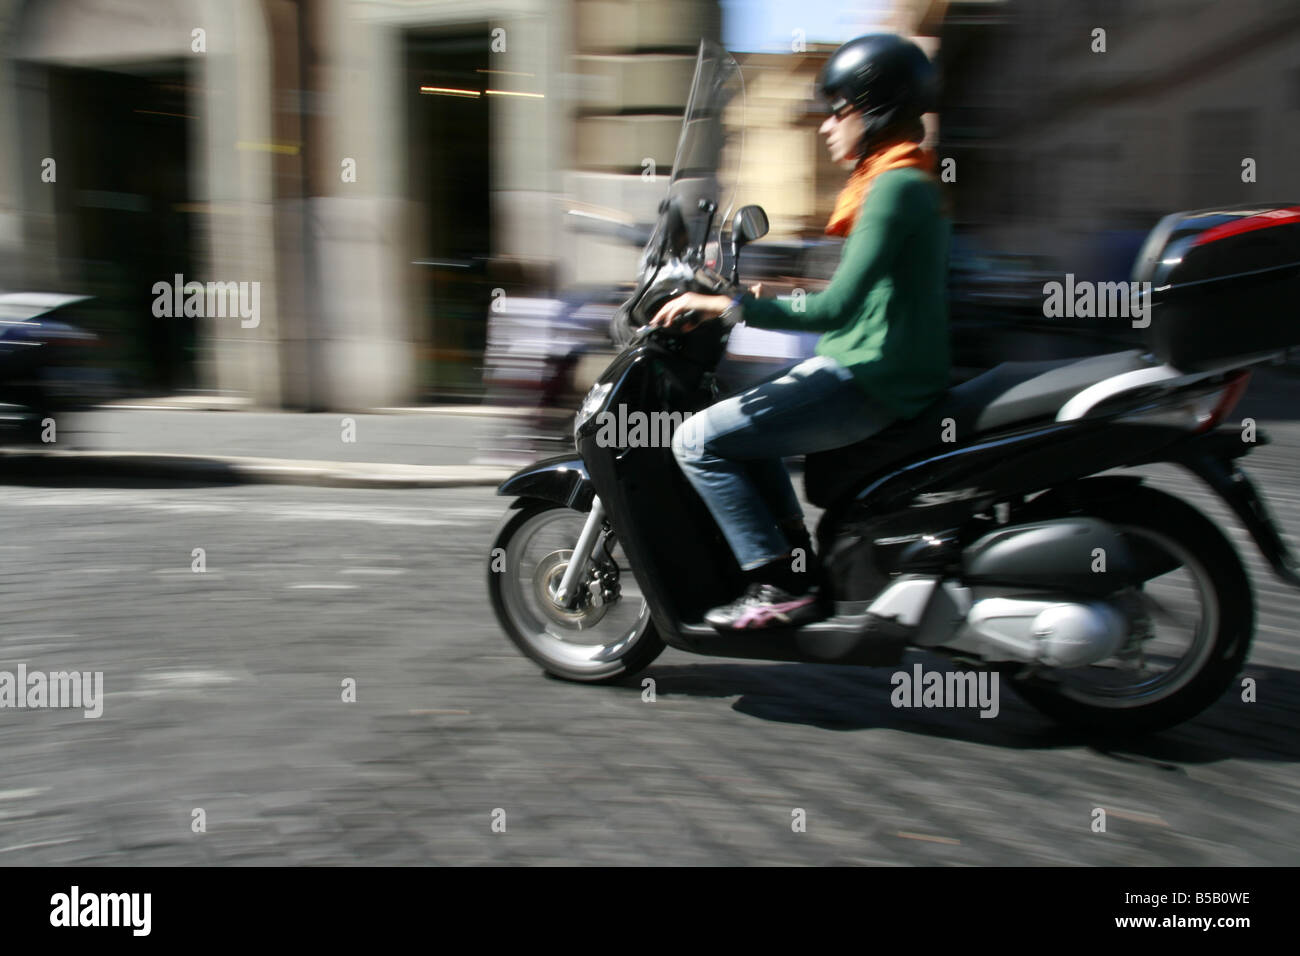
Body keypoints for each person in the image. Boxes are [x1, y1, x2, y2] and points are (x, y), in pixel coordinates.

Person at [648, 34, 951, 631]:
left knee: (696, 442)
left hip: (870, 377)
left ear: (876, 109)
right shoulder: (902, 180)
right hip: (879, 368)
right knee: (743, 426)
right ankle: (792, 567)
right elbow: (861, 303)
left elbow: (835, 310)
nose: (825, 127)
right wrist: (746, 298)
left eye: (837, 110)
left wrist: (728, 306)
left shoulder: (892, 188)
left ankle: (781, 584)